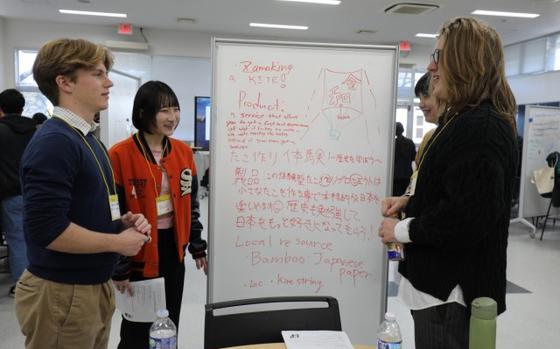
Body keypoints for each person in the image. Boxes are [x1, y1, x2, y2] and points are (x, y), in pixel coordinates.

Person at [379, 17, 518, 349]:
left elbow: (464, 219)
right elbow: (460, 193)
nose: (431, 65)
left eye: (439, 56)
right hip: (440, 290)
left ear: (464, 63)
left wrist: (399, 230)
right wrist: (410, 202)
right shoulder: (462, 119)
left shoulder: (480, 128)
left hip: (451, 295)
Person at [15, 38, 152, 349]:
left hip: (89, 285)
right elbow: (48, 230)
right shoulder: (56, 142)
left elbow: (86, 208)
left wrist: (121, 223)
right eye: (98, 73)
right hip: (63, 292)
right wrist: (118, 242)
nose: (109, 81)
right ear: (65, 82)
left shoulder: (87, 138)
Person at [109, 80, 208, 349]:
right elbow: (113, 215)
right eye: (164, 110)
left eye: (175, 109)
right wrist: (120, 265)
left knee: (169, 320)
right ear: (144, 112)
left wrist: (197, 246)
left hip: (172, 248)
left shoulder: (184, 153)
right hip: (138, 250)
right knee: (137, 327)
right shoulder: (119, 154)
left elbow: (191, 204)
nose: (172, 117)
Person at [0, 88, 36, 297]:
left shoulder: (1, 131)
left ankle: (24, 286)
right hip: (35, 192)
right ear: (22, 108)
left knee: (17, 239)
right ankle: (37, 280)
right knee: (36, 237)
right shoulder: (36, 130)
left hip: (10, 194)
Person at [392, 122, 416, 196]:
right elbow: (413, 157)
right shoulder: (410, 142)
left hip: (395, 175)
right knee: (406, 197)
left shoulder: (392, 143)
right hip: (407, 174)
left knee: (396, 197)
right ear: (403, 130)